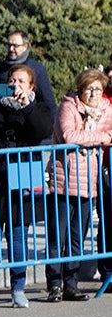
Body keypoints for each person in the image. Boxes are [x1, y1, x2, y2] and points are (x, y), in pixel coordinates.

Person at [0, 65, 52, 310]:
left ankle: (18, 288)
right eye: (11, 80)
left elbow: (42, 130)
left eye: (21, 81)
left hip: (21, 176)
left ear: (31, 87)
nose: (15, 84)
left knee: (18, 235)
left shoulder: (38, 107)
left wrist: (26, 105)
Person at [47, 69, 111, 303]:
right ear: (81, 89)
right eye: (89, 88)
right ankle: (54, 283)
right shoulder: (69, 106)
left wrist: (103, 136)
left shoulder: (105, 108)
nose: (94, 93)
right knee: (58, 235)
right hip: (65, 178)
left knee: (77, 237)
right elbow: (69, 135)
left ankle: (71, 284)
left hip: (88, 180)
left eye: (98, 89)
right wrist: (100, 137)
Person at [0, 31, 56, 114]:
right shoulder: (1, 68)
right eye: (9, 45)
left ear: (25, 46)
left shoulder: (37, 69)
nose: (11, 49)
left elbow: (49, 103)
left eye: (15, 46)